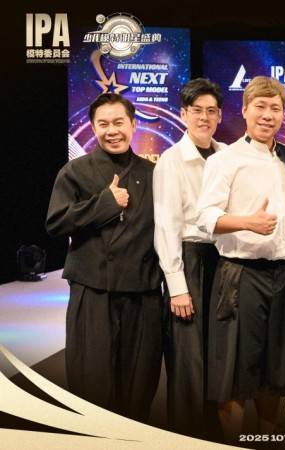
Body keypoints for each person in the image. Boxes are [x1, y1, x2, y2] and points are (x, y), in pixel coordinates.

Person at [196, 76, 285, 440]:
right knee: (233, 373)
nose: (268, 115)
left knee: (277, 370)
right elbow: (205, 218)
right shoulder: (225, 159)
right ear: (244, 110)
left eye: (276, 108)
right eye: (260, 106)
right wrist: (248, 223)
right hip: (241, 275)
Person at [45, 93, 161, 421]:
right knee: (91, 381)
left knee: (139, 386)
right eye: (103, 124)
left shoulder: (154, 174)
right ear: (94, 128)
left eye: (118, 122)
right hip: (93, 289)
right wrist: (105, 204)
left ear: (133, 125)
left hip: (142, 292)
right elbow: (56, 223)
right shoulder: (75, 171)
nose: (112, 131)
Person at [153, 78, 226, 436]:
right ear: (183, 114)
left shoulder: (227, 154)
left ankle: (216, 434)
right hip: (190, 261)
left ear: (220, 115)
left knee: (219, 355)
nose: (204, 118)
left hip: (224, 261)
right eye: (197, 110)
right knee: (188, 359)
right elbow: (166, 226)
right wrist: (177, 286)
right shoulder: (171, 161)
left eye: (211, 111)